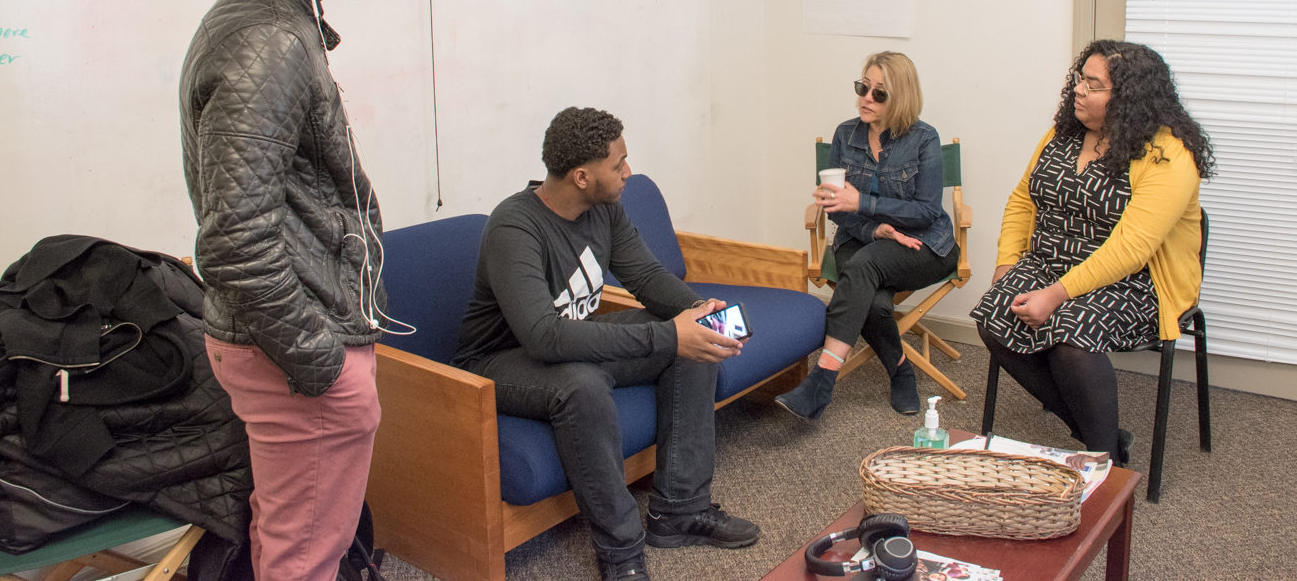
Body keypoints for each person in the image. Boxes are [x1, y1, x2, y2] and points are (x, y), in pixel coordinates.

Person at [179, 0, 389, 581]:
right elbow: (235, 238)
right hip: (296, 350)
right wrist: (323, 364)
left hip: (294, 339)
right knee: (305, 557)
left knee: (293, 541)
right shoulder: (270, 36)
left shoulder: (278, 18)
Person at [454, 107, 760, 581]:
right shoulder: (513, 228)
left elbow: (647, 276)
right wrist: (668, 333)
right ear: (581, 176)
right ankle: (619, 550)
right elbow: (544, 336)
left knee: (691, 340)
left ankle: (679, 511)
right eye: (618, 165)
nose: (628, 173)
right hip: (499, 363)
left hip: (565, 344)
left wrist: (701, 314)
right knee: (582, 382)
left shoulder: (605, 210)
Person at [971, 40, 1212, 464]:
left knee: (1070, 336)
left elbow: (1132, 248)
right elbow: (1024, 200)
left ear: (1127, 97)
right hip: (1049, 263)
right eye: (1080, 79)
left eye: (1093, 84)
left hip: (1135, 281)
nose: (1079, 90)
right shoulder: (1062, 135)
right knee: (994, 316)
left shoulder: (1168, 152)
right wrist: (1007, 263)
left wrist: (1055, 295)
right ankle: (1103, 440)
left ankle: (1109, 471)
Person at [776, 51, 958, 420]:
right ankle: (901, 370)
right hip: (860, 238)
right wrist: (872, 227)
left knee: (863, 266)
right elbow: (839, 211)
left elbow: (927, 211)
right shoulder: (845, 134)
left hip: (922, 244)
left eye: (879, 93)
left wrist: (865, 202)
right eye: (863, 87)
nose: (865, 98)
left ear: (901, 98)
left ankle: (821, 380)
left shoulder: (924, 139)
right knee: (873, 303)